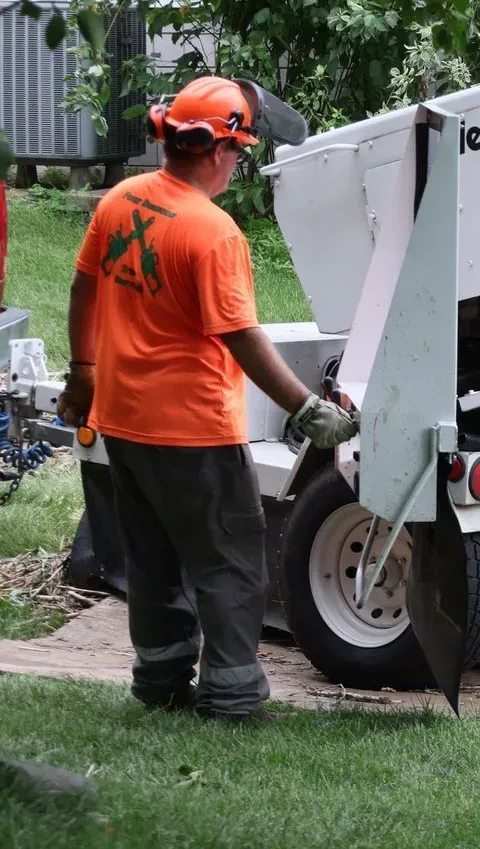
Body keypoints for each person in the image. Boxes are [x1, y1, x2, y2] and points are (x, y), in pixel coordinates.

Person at [55, 76, 356, 721]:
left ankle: (160, 683)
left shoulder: (120, 200)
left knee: (153, 559)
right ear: (218, 150)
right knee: (229, 565)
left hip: (124, 425)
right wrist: (307, 409)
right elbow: (242, 337)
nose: (238, 164)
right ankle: (232, 695)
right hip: (195, 433)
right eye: (241, 152)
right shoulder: (212, 233)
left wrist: (83, 374)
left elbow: (83, 290)